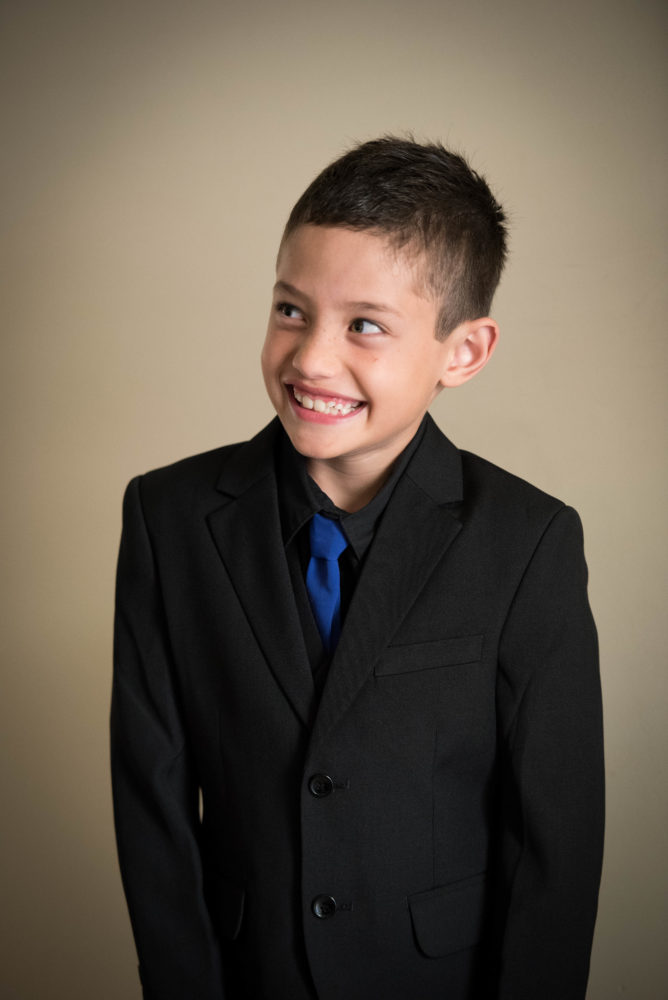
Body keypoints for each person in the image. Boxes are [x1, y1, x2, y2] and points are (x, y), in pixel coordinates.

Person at [111, 137, 604, 1000]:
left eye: (364, 325)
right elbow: (151, 804)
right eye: (291, 310)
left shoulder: (530, 542)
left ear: (465, 352)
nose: (309, 359)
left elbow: (553, 846)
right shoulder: (168, 518)